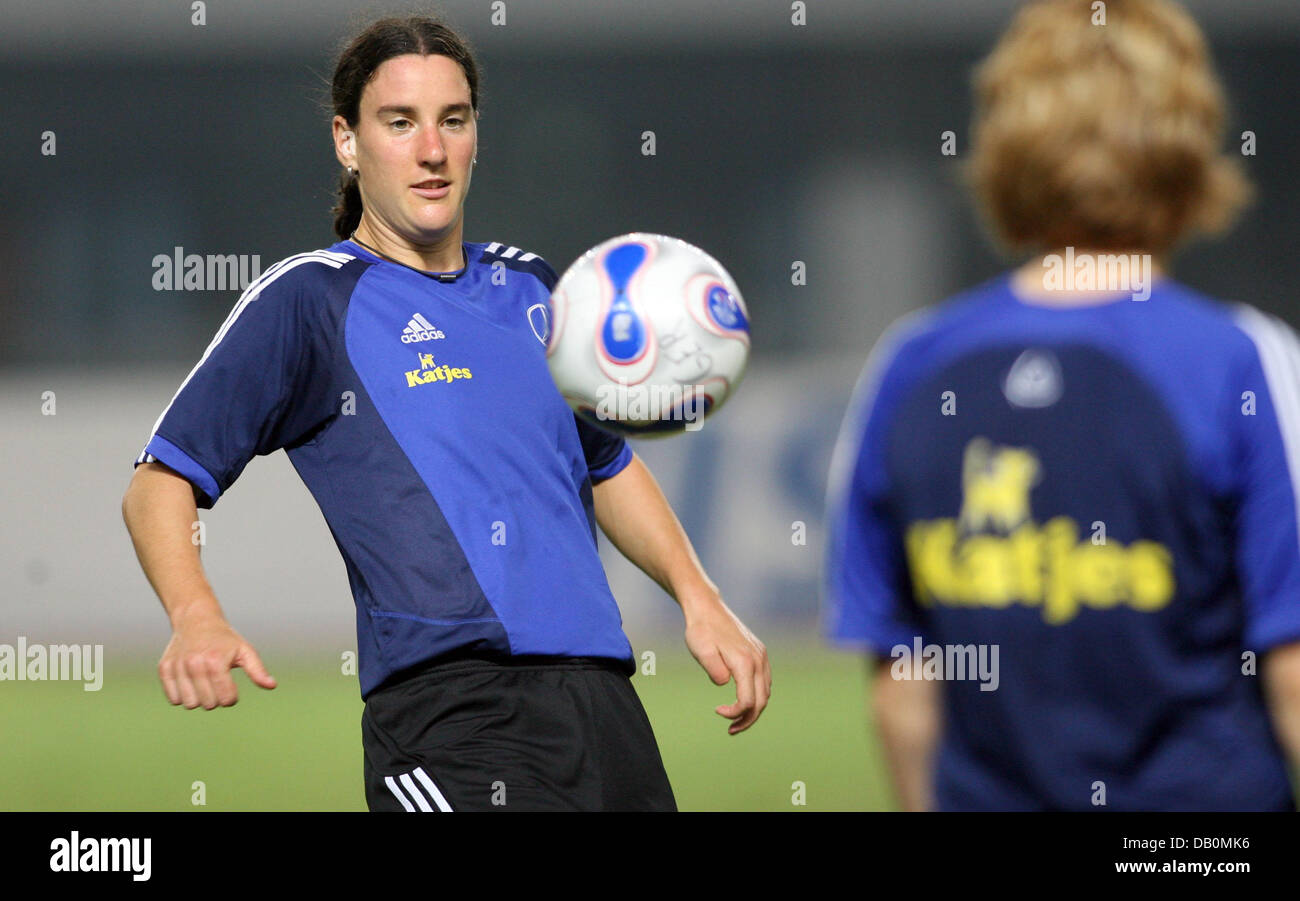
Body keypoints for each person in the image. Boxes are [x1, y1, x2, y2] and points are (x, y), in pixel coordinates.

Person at [121, 15, 770, 812]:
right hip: (451, 721)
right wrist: (197, 617)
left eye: (452, 120)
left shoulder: (536, 289)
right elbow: (159, 482)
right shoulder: (310, 301)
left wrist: (700, 597)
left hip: (604, 713)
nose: (432, 149)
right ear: (346, 141)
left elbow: (606, 465)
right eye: (400, 122)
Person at [823, 0, 1300, 811]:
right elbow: (1290, 664)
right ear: (1187, 143)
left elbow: (904, 689)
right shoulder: (1243, 360)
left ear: (1007, 146)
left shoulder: (910, 366)